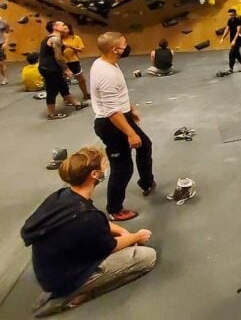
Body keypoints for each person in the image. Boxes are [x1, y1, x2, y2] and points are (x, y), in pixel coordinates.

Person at [21, 147, 156, 317]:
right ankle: (73, 296)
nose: (106, 168)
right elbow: (110, 246)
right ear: (94, 174)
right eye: (104, 165)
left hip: (49, 271)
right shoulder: (86, 217)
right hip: (68, 277)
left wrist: (123, 231)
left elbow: (96, 222)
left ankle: (58, 292)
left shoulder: (63, 195)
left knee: (124, 242)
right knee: (147, 257)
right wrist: (137, 236)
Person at [90, 32, 155, 221]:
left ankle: (146, 182)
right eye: (124, 44)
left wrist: (130, 108)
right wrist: (131, 133)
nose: (127, 46)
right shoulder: (106, 74)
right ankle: (114, 209)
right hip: (111, 124)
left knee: (145, 145)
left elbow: (117, 96)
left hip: (121, 115)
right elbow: (111, 111)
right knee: (123, 168)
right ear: (115, 49)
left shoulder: (105, 63)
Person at [38, 21, 87, 120]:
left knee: (63, 86)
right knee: (52, 90)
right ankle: (52, 114)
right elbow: (58, 57)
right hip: (50, 68)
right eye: (63, 25)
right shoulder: (55, 39)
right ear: (56, 27)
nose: (65, 27)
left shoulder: (52, 38)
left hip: (49, 67)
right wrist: (66, 69)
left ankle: (77, 104)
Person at [62, 23, 90, 101]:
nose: (64, 30)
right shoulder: (58, 39)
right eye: (62, 29)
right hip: (63, 62)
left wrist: (70, 47)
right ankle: (66, 99)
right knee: (63, 82)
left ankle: (85, 94)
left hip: (74, 61)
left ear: (69, 29)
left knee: (82, 80)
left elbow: (81, 49)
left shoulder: (76, 38)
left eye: (65, 28)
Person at [219, 8, 241, 73]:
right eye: (230, 15)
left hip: (239, 39)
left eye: (232, 15)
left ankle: (231, 69)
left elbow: (238, 31)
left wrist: (234, 40)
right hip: (232, 39)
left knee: (231, 54)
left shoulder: (239, 21)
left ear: (235, 14)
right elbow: (227, 29)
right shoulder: (229, 20)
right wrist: (222, 38)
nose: (231, 16)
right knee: (237, 54)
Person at [0, 14, 9, 85]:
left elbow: (6, 33)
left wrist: (5, 42)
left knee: (1, 63)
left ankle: (4, 78)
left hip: (0, 43)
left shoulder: (2, 22)